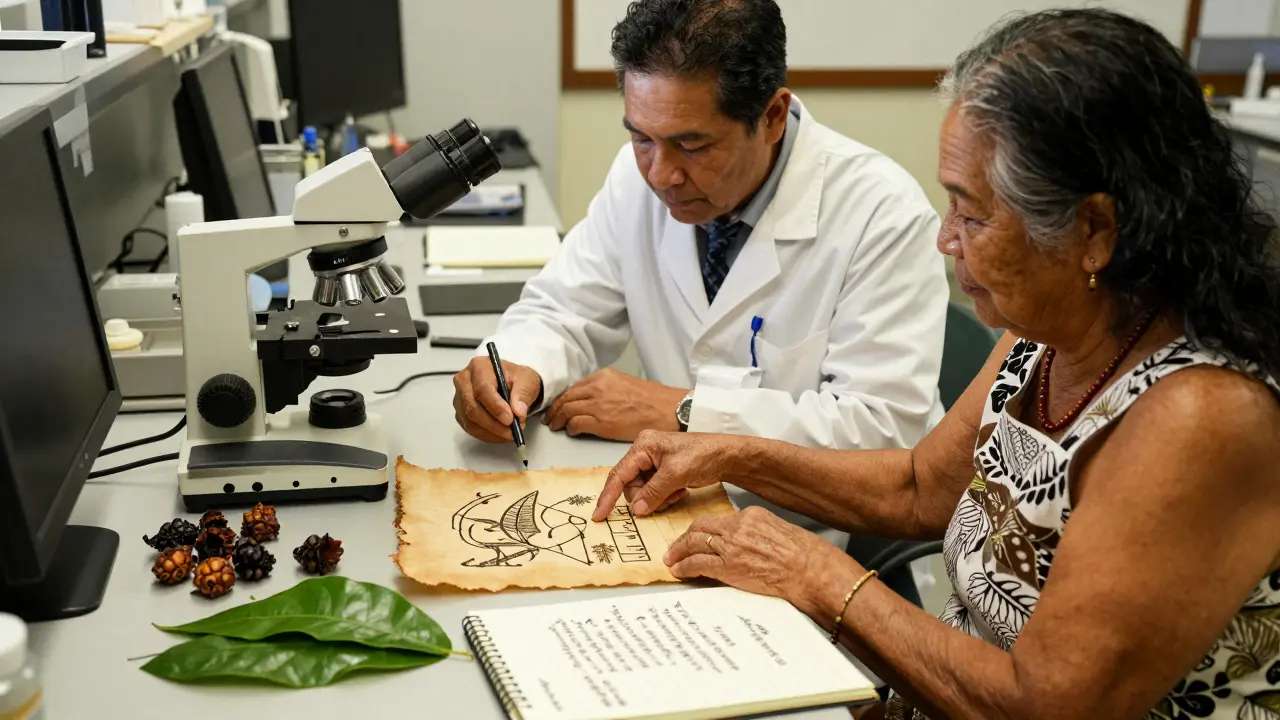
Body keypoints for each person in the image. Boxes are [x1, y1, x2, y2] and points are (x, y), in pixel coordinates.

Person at [593, 9, 1280, 719]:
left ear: (1093, 232)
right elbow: (921, 486)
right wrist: (725, 455)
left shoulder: (1202, 417)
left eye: (972, 214)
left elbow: (1042, 707)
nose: (947, 241)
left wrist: (820, 576)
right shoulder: (1049, 335)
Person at [450, 0, 948, 549]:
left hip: (814, 536)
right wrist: (519, 369)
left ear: (773, 116)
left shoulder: (880, 213)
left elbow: (882, 439)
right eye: (640, 137)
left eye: (692, 144)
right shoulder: (636, 178)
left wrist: (685, 413)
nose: (660, 174)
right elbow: (564, 310)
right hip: (674, 514)